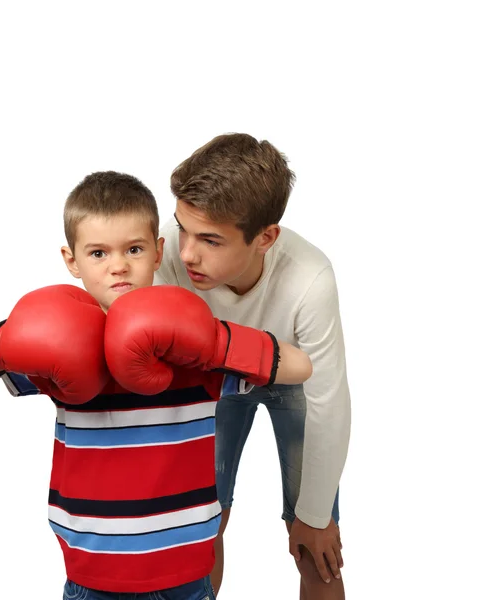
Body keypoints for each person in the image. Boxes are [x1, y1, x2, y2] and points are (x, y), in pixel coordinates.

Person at [0, 171, 313, 600]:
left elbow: (300, 367)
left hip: (187, 576)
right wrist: (9, 338)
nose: (118, 265)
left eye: (133, 249)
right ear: (71, 260)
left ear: (157, 253)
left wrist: (214, 340)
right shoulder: (56, 343)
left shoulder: (193, 345)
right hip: (91, 576)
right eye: (98, 253)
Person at [155, 133, 351, 599]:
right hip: (211, 372)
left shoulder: (310, 276)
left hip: (293, 378)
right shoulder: (169, 252)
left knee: (315, 547)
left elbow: (330, 403)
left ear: (265, 238)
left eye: (210, 240)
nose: (187, 253)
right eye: (184, 228)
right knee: (202, 525)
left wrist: (316, 514)